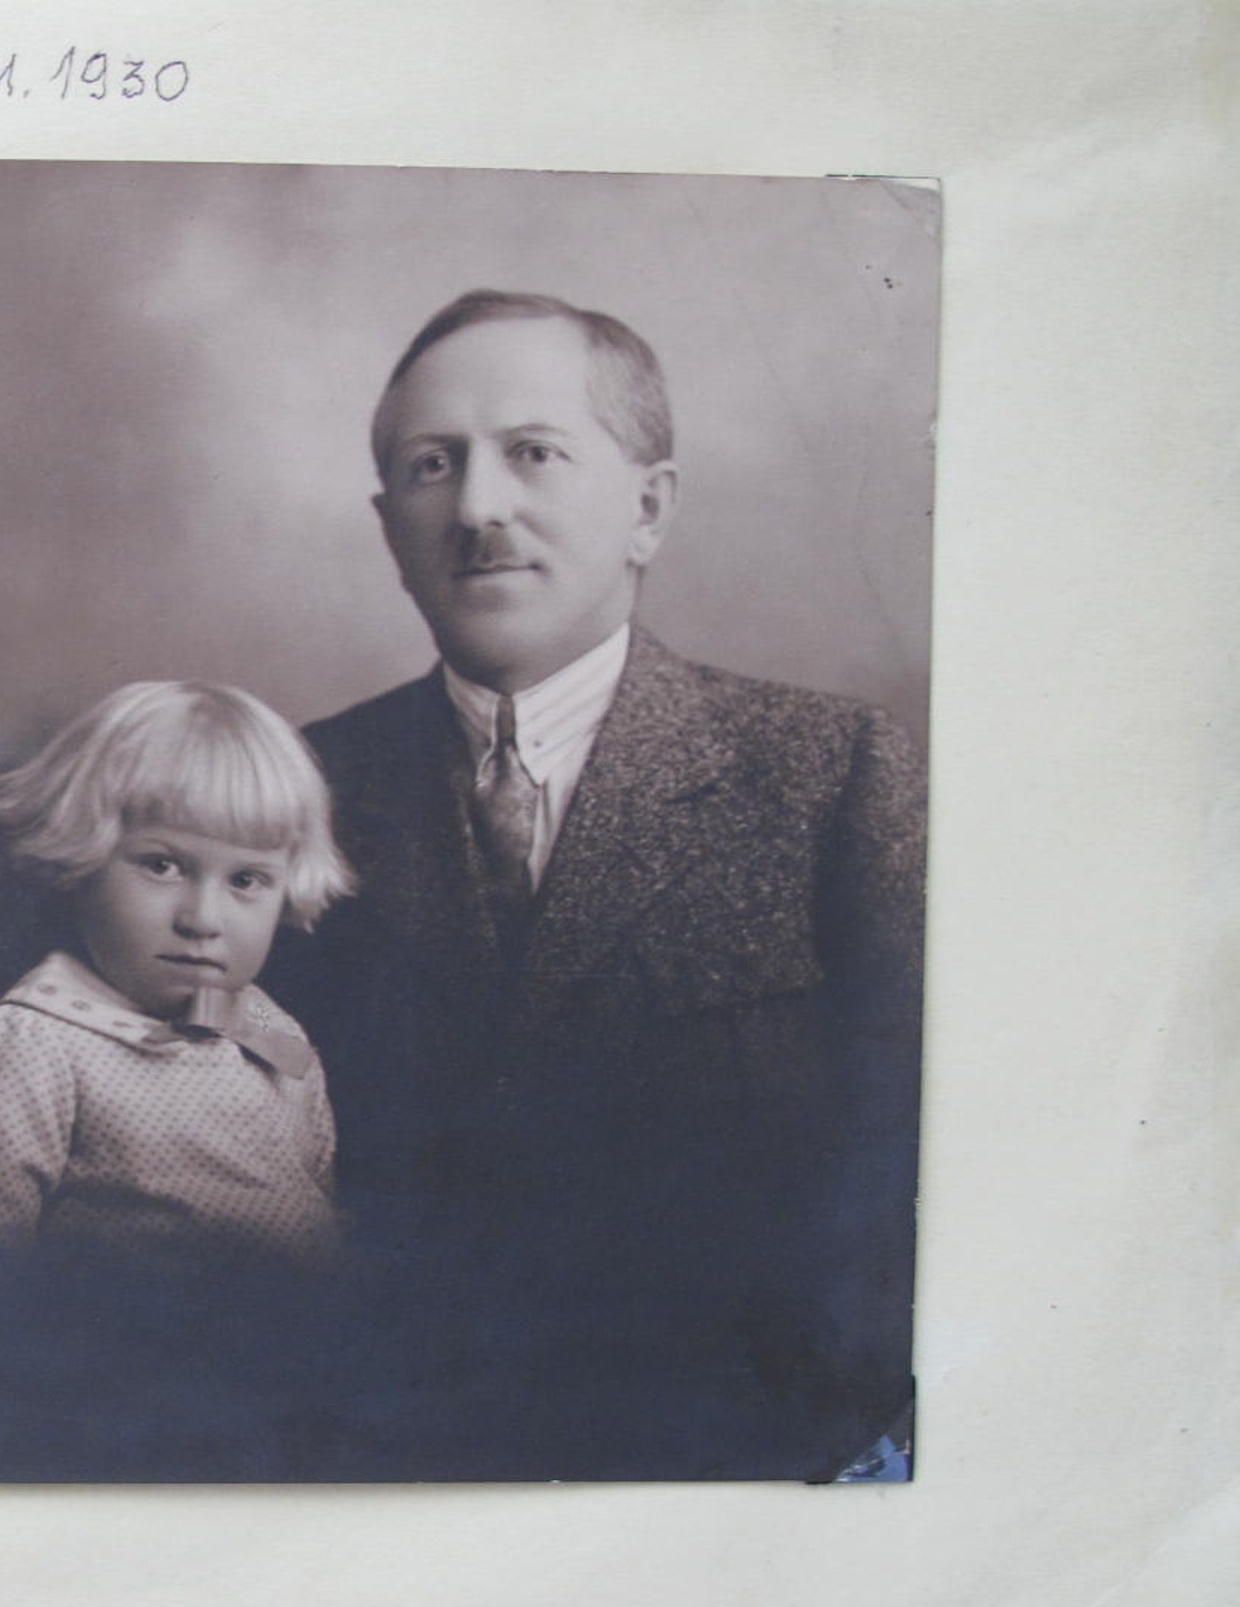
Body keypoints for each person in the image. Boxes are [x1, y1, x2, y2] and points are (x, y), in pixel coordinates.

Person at [272, 290, 926, 1480]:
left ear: (648, 508)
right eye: (432, 466)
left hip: (743, 1472)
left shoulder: (834, 773)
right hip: (387, 1475)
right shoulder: (291, 788)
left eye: (534, 453)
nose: (477, 508)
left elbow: (927, 1172)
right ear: (389, 528)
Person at [0, 681, 352, 1273]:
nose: (203, 920)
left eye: (245, 881)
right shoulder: (34, 1042)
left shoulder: (272, 1030)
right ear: (84, 858)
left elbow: (320, 1204)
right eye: (162, 866)